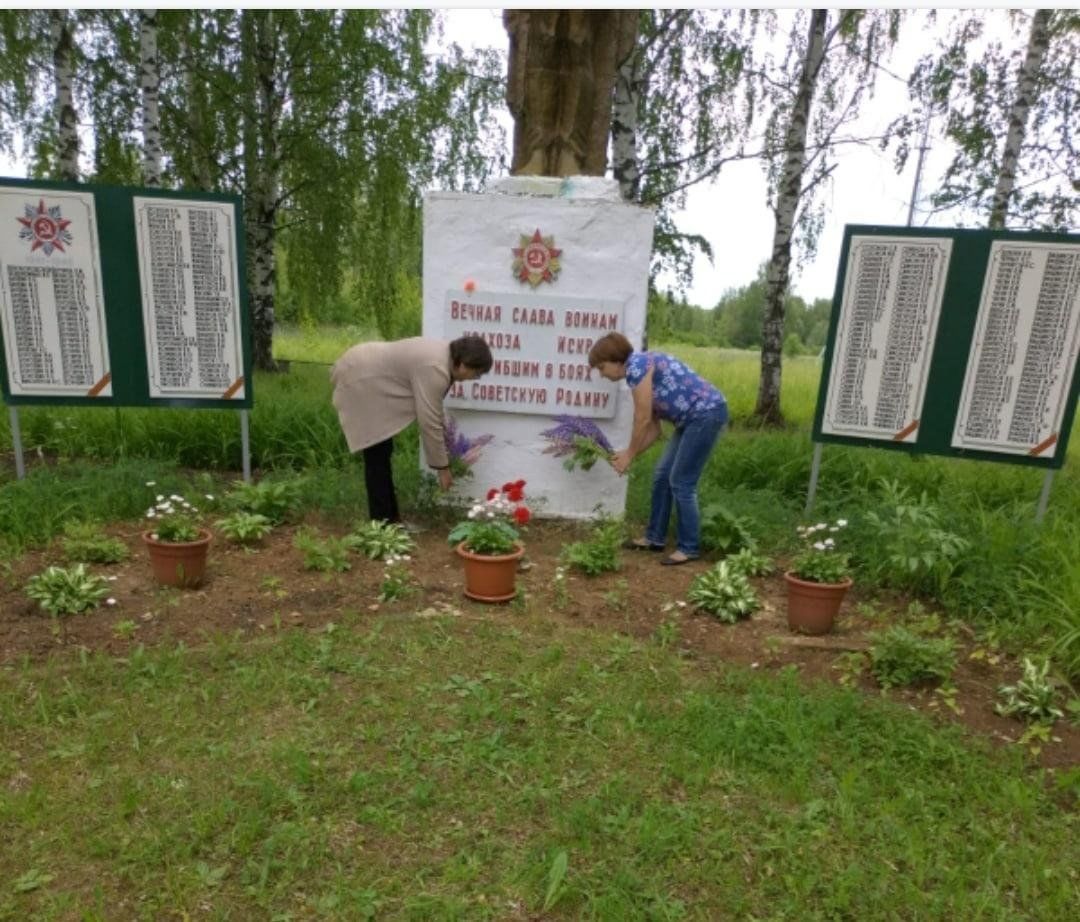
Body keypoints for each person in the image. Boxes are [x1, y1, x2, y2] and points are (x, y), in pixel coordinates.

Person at [589, 331, 728, 566]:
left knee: (682, 482)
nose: (602, 374)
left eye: (601, 367)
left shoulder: (636, 368)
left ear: (615, 360)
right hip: (691, 419)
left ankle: (689, 547)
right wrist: (627, 455)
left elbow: (642, 419)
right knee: (663, 475)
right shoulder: (640, 368)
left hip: (706, 414)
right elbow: (654, 430)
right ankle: (654, 538)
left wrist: (629, 454)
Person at [331, 335, 493, 524]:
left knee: (382, 452)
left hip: (367, 371)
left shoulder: (444, 358)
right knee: (377, 455)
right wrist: (443, 468)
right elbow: (429, 421)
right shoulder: (436, 369)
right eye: (477, 374)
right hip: (361, 376)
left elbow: (434, 409)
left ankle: (390, 519)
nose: (475, 379)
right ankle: (382, 524)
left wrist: (445, 450)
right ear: (465, 364)